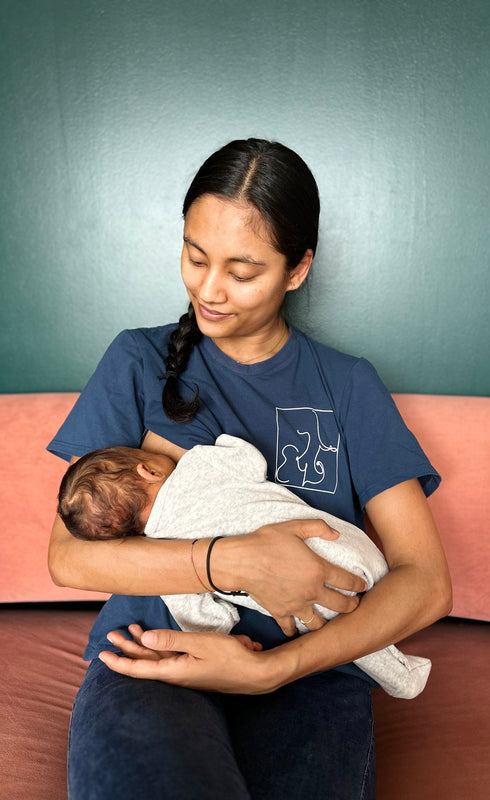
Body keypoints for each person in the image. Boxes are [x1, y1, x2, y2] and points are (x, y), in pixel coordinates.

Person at [47, 137, 452, 800]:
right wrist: (231, 561)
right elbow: (69, 558)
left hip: (313, 675)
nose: (208, 290)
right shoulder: (137, 360)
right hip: (152, 655)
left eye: (242, 270)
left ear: (297, 269)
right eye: (194, 256)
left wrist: (275, 669)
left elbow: (427, 583)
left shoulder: (346, 385)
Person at [56, 435, 433, 699]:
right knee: (351, 604)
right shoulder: (199, 465)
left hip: (304, 608)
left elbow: (202, 617)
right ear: (148, 471)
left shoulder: (162, 552)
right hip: (349, 549)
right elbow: (247, 459)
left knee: (332, 620)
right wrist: (220, 444)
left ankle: (401, 676)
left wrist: (223, 635)